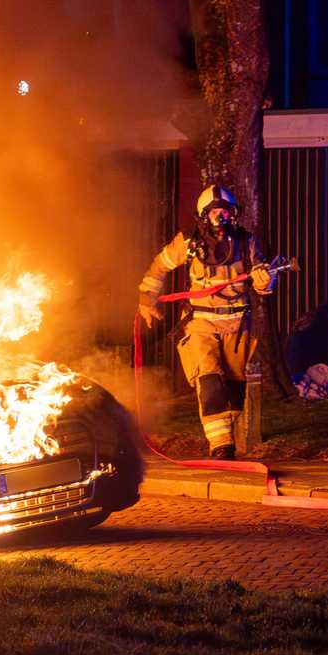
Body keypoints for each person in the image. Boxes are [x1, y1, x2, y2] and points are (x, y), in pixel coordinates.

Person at [138, 185, 276, 459]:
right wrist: (146, 300)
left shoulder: (246, 242)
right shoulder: (188, 243)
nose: (220, 216)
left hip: (237, 324)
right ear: (203, 215)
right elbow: (159, 266)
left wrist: (265, 280)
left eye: (225, 211)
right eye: (214, 212)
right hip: (201, 323)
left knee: (234, 386)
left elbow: (262, 279)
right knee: (209, 379)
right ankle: (220, 445)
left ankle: (227, 439)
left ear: (233, 213)